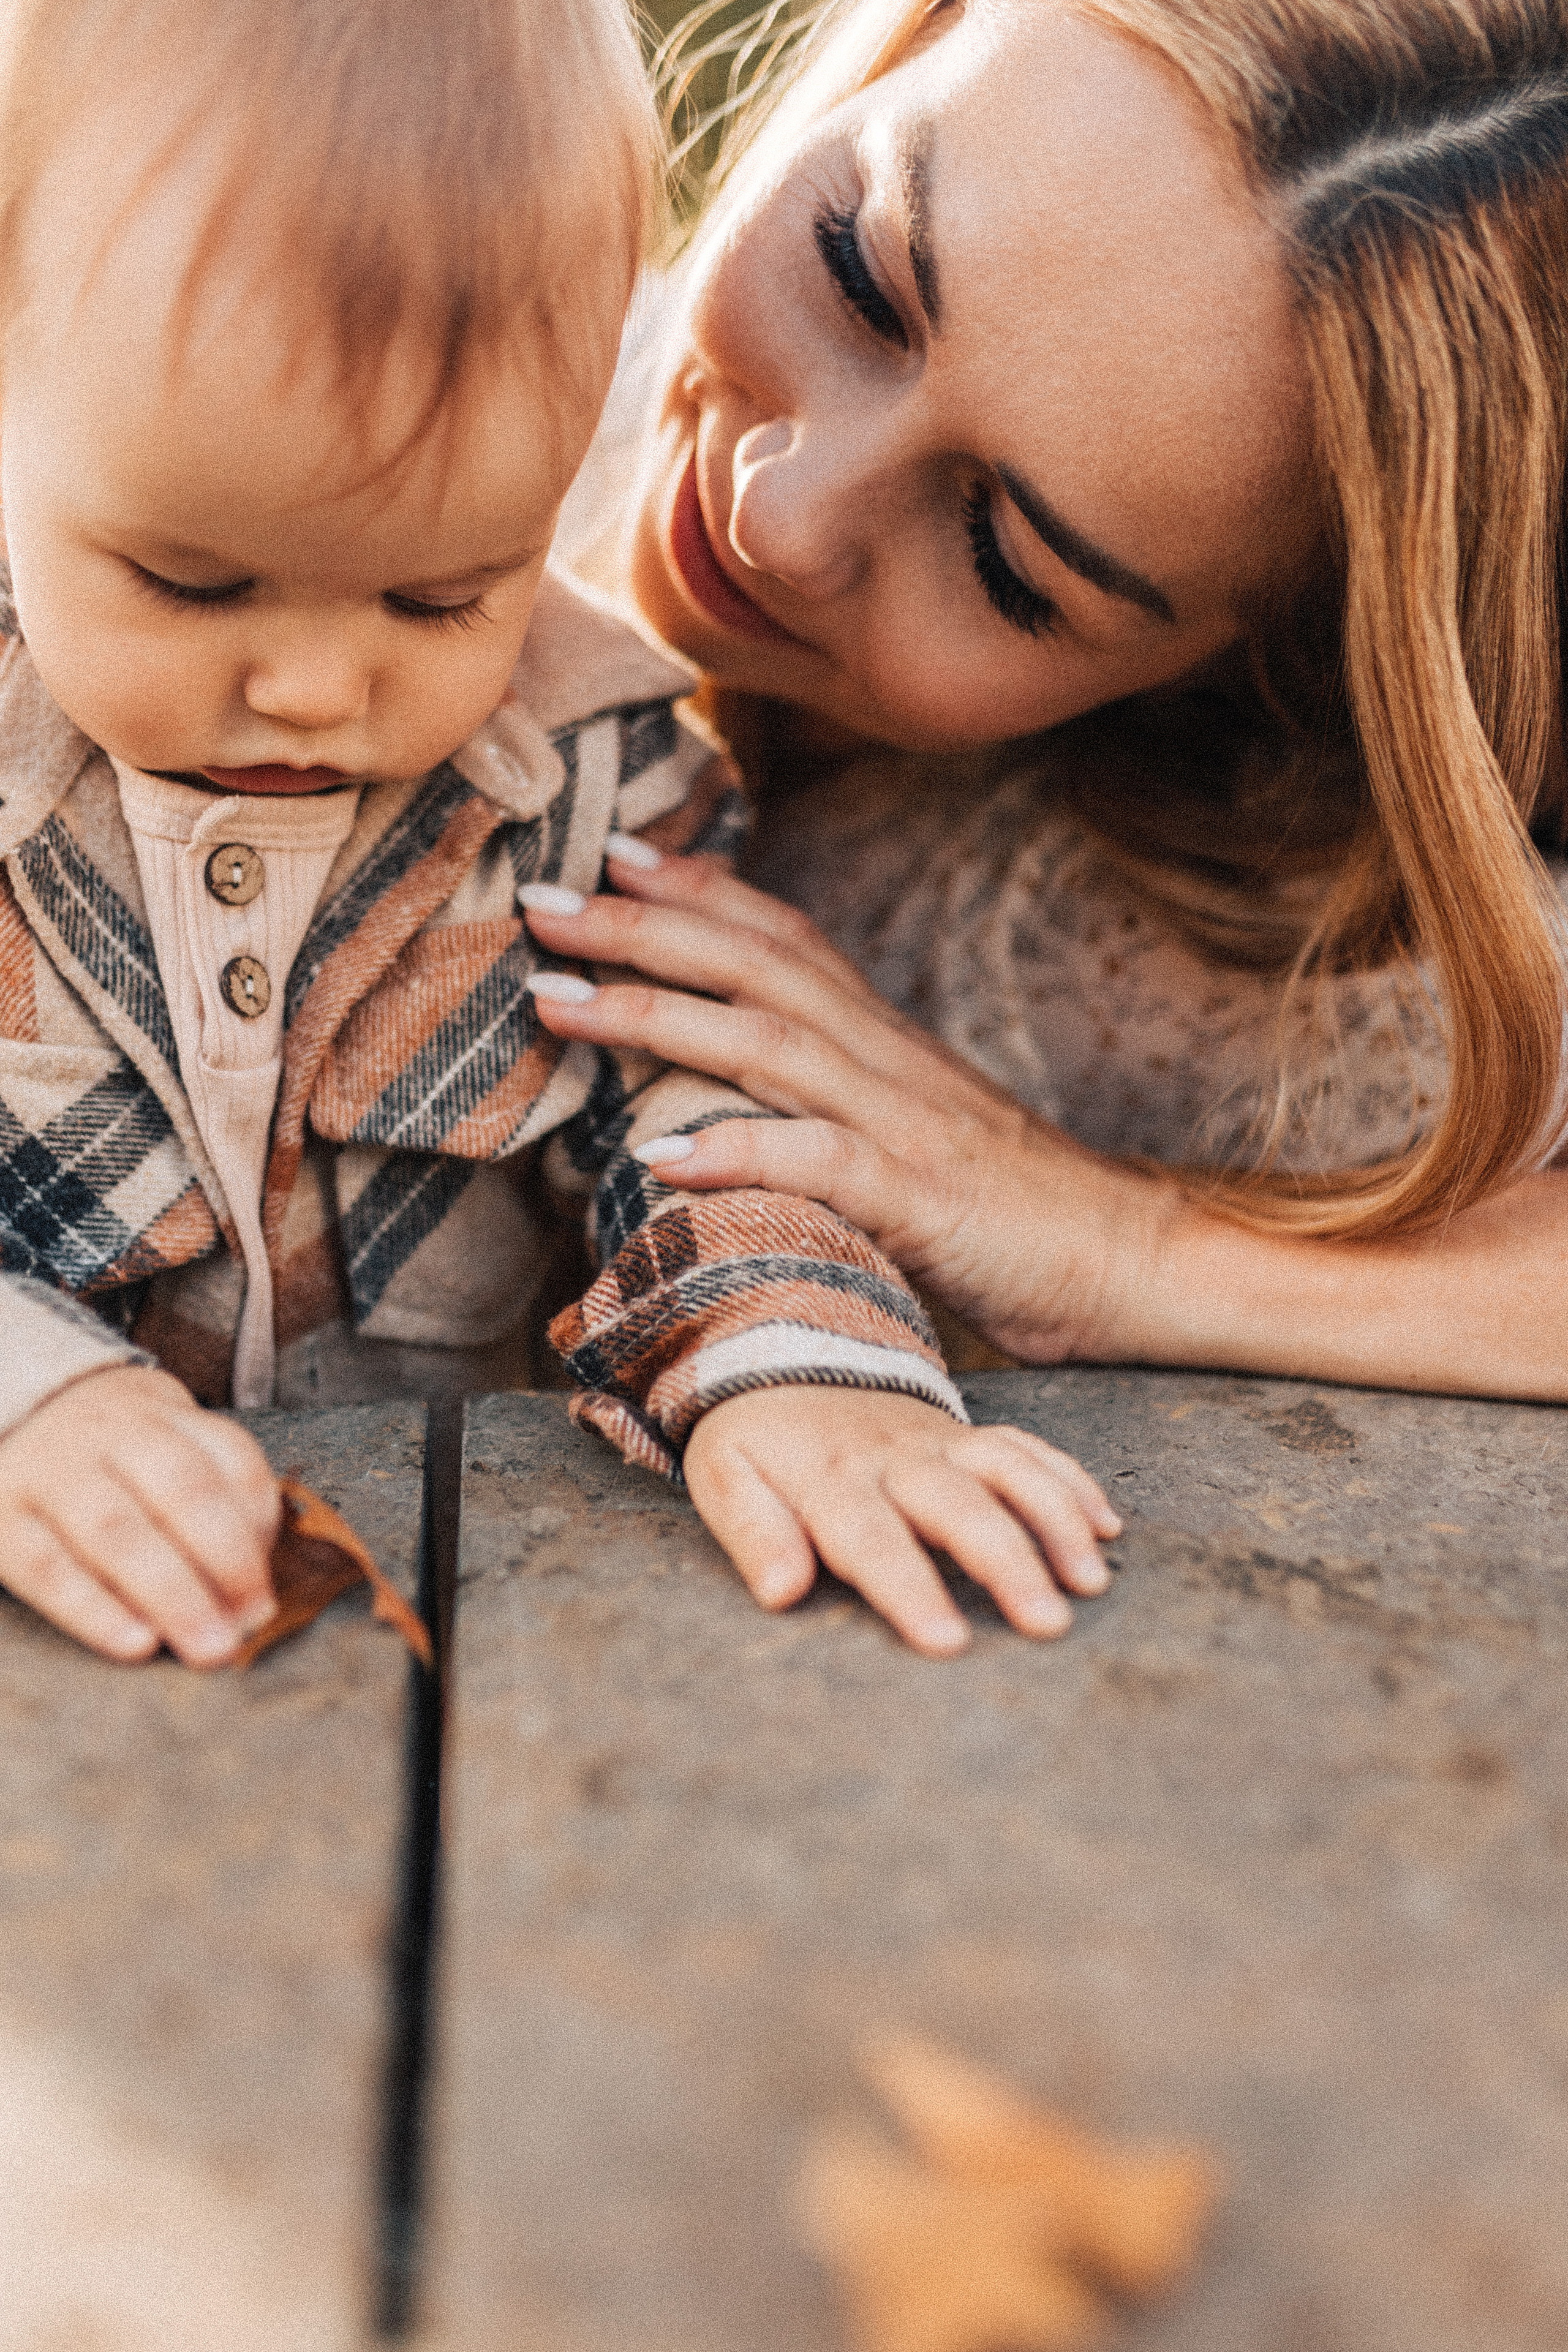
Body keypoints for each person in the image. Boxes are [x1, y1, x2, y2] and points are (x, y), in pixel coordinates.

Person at [0, 0, 1120, 1669]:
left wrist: (796, 1361)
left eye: (444, 592)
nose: (314, 686)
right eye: (193, 579)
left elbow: (687, 1104)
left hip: (488, 1639)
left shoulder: (583, 776)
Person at [527, 0, 1568, 1461]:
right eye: (857, 271)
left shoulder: (1223, 985)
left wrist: (1116, 1244)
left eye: (1009, 563)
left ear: (1249, 676)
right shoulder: (369, 297)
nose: (778, 512)